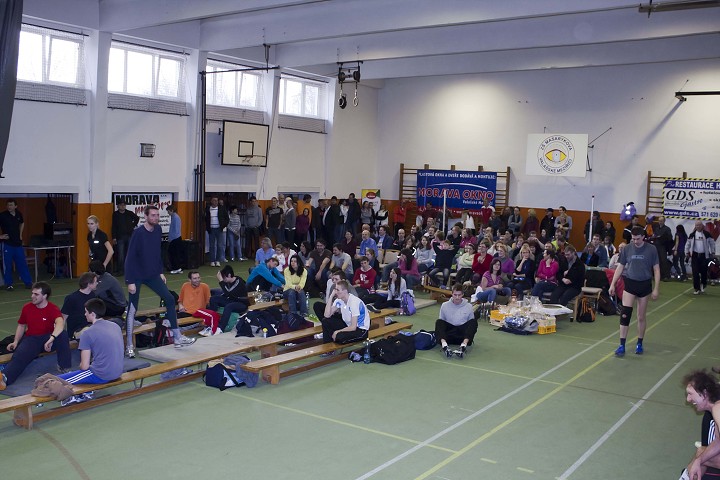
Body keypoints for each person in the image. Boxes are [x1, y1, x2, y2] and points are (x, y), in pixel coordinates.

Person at [125, 205, 195, 358]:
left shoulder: (157, 230)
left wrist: (160, 272)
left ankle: (177, 337)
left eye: (157, 215)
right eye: (153, 215)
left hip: (152, 274)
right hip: (136, 275)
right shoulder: (138, 233)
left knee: (169, 299)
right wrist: (129, 280)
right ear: (145, 216)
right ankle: (129, 345)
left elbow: (157, 253)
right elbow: (130, 257)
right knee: (132, 308)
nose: (155, 218)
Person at [0, 282, 72, 391]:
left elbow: (60, 323)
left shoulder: (53, 308)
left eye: (36, 294)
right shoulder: (27, 308)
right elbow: (21, 325)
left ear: (45, 296)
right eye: (32, 293)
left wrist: (52, 338)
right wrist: (15, 341)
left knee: (63, 335)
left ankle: (64, 366)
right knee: (20, 355)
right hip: (32, 339)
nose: (32, 296)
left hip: (48, 340)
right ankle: (5, 378)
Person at [57, 298, 125, 406]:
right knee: (79, 374)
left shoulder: (87, 333)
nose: (85, 314)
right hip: (118, 371)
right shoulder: (115, 326)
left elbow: (84, 366)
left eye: (86, 312)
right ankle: (86, 391)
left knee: (57, 380)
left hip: (103, 374)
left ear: (92, 314)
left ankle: (79, 394)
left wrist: (81, 366)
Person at [609, 226, 660, 357]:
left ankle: (639, 343)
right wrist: (613, 284)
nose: (635, 241)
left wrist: (656, 288)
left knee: (641, 316)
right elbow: (620, 267)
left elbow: (656, 269)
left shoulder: (651, 249)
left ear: (643, 237)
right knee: (625, 314)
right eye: (633, 239)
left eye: (637, 239)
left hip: (644, 284)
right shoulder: (627, 249)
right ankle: (622, 345)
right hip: (630, 283)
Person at [682, 370, 720, 480]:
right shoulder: (715, 408)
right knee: (701, 454)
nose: (688, 399)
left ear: (704, 393)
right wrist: (699, 460)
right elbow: (718, 441)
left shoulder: (718, 409)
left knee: (702, 455)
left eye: (690, 394)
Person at [320, 280, 369, 350]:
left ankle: (333, 342)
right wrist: (331, 296)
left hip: (361, 330)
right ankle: (328, 349)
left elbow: (353, 327)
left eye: (338, 290)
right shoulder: (339, 300)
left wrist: (338, 331)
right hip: (348, 325)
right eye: (335, 289)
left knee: (339, 336)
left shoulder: (354, 302)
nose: (336, 292)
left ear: (345, 291)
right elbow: (327, 315)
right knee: (325, 321)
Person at [435, 284, 477, 359]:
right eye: (455, 295)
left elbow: (470, 325)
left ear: (462, 294)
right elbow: (442, 323)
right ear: (452, 294)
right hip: (449, 335)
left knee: (473, 322)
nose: (457, 297)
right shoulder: (444, 305)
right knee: (439, 322)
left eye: (459, 295)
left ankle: (463, 346)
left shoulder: (468, 306)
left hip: (462, 336)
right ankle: (445, 346)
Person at [0, 199, 33, 290]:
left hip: (18, 244)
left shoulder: (19, 214)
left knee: (22, 264)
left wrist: (20, 234)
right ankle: (9, 284)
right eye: (8, 205)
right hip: (7, 244)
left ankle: (28, 282)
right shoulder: (2, 215)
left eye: (11, 205)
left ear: (15, 206)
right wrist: (1, 236)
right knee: (7, 265)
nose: (9, 207)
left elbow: (22, 223)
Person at [208, 265, 249, 334]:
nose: (223, 280)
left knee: (229, 307)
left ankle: (221, 328)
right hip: (232, 300)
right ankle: (212, 321)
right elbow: (226, 293)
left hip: (242, 303)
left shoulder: (238, 281)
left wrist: (221, 281)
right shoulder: (229, 282)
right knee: (213, 299)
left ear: (229, 275)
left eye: (224, 278)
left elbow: (228, 292)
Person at [178, 271, 220, 336]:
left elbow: (209, 303)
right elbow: (180, 300)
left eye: (198, 278)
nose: (197, 280)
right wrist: (180, 305)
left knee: (176, 324)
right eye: (195, 278)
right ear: (189, 280)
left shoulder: (205, 287)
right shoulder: (185, 286)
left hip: (196, 314)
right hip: (184, 312)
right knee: (168, 318)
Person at [61, 272, 98, 338]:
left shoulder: (93, 295)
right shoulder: (71, 298)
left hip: (90, 328)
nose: (97, 283)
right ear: (89, 284)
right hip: (76, 331)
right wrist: (61, 335)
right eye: (95, 282)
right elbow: (63, 318)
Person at [686, 220, 716, 295]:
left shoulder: (707, 234)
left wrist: (713, 252)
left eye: (699, 225)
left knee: (703, 272)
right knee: (695, 273)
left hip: (704, 256)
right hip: (695, 256)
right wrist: (686, 252)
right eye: (696, 225)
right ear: (695, 226)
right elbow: (688, 244)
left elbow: (712, 243)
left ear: (702, 226)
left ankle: (703, 284)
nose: (698, 226)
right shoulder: (692, 235)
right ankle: (696, 288)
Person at [111, 200, 139, 275]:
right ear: (118, 206)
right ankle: (121, 270)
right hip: (120, 237)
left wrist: (132, 226)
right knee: (121, 254)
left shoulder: (129, 213)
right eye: (121, 205)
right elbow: (113, 226)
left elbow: (137, 218)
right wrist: (114, 237)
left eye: (124, 205)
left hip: (129, 235)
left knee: (130, 253)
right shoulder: (115, 214)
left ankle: (130, 269)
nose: (123, 206)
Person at [205, 196, 229, 267]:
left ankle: (218, 260)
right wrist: (207, 226)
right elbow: (205, 218)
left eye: (216, 200)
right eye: (214, 200)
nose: (215, 202)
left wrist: (223, 226)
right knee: (212, 245)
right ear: (211, 201)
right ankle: (212, 260)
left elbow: (227, 218)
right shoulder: (208, 209)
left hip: (219, 229)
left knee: (220, 245)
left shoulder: (221, 209)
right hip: (211, 229)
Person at [166, 205, 183, 274]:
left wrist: (171, 239)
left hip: (175, 239)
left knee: (174, 254)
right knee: (174, 254)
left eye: (168, 211)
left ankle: (176, 268)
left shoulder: (175, 218)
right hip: (175, 238)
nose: (168, 213)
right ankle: (177, 268)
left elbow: (176, 230)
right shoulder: (174, 217)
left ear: (172, 210)